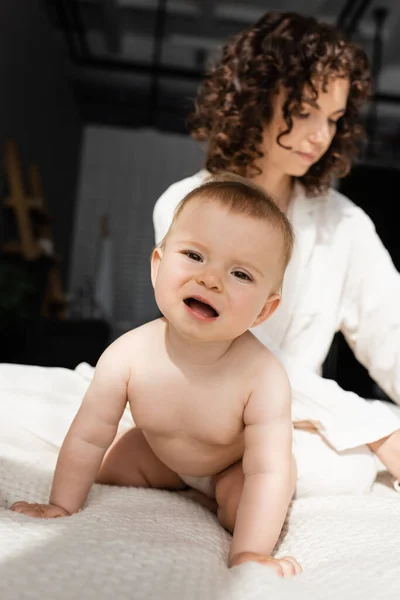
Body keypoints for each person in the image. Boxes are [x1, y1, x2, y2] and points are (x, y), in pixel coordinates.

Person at [153, 11, 400, 497]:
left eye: (332, 119)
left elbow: (391, 329)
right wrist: (375, 427)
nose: (320, 136)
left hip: (294, 421)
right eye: (305, 111)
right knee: (345, 464)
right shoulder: (186, 205)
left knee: (341, 470)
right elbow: (233, 348)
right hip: (207, 411)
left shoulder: (343, 223)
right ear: (255, 100)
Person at [11, 175, 302, 577]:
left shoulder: (263, 377)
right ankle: (178, 488)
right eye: (195, 256)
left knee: (252, 500)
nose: (211, 279)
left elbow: (266, 468)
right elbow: (89, 435)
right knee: (99, 466)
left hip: (229, 467)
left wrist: (248, 554)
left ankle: (226, 515)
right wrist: (61, 505)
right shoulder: (128, 354)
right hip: (159, 454)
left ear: (264, 312)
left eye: (241, 274)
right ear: (157, 266)